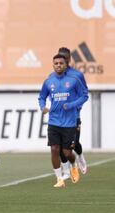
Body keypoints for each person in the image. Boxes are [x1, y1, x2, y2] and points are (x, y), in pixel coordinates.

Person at [38, 54, 88, 188]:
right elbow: (41, 97)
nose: (58, 65)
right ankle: (59, 178)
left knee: (67, 153)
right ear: (53, 65)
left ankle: (73, 164)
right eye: (56, 63)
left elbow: (84, 96)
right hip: (54, 121)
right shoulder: (48, 81)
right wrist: (43, 107)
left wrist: (72, 105)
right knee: (54, 149)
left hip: (69, 123)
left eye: (61, 63)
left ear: (66, 65)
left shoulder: (73, 80)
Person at [57, 47, 88, 178]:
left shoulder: (77, 75)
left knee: (74, 144)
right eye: (61, 58)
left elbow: (84, 94)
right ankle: (66, 171)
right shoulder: (54, 76)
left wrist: (75, 106)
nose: (63, 60)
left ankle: (80, 156)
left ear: (69, 59)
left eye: (66, 58)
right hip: (59, 118)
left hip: (74, 116)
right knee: (58, 145)